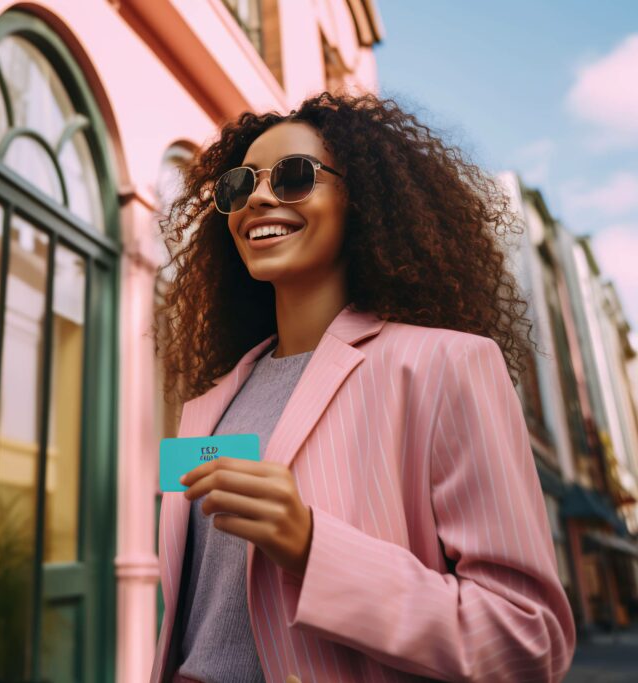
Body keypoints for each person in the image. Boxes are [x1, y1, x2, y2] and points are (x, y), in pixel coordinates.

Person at [150, 92, 576, 683]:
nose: (260, 198)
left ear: (363, 202)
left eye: (295, 176)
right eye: (239, 185)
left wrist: (311, 546)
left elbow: (527, 639)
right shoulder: (207, 408)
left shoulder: (447, 365)